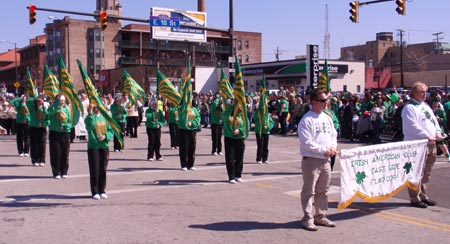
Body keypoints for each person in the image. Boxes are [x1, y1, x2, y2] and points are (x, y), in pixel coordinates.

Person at [298, 89, 337, 231]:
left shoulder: (327, 117)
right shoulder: (307, 120)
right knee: (309, 191)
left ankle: (321, 216)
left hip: (326, 160)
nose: (326, 103)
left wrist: (332, 147)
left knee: (323, 190)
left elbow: (333, 134)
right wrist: (323, 150)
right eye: (322, 100)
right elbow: (306, 142)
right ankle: (307, 218)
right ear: (314, 102)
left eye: (326, 100)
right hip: (312, 160)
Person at [402, 82, 442, 208]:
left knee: (426, 172)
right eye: (421, 92)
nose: (425, 94)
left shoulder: (425, 106)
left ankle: (423, 195)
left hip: (430, 143)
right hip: (418, 145)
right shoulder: (409, 108)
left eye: (425, 92)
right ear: (414, 93)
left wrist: (437, 132)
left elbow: (434, 121)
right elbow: (412, 126)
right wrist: (427, 135)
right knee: (416, 172)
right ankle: (414, 197)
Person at [85, 104, 113, 200]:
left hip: (104, 146)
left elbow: (110, 130)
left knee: (103, 169)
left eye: (98, 107)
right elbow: (91, 126)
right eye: (95, 108)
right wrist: (90, 113)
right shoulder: (89, 118)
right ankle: (95, 191)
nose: (96, 109)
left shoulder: (105, 118)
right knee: (95, 170)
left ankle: (102, 190)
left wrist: (106, 136)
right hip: (94, 146)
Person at [222, 98, 249, 183]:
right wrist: (230, 106)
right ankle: (231, 176)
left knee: (239, 158)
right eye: (238, 107)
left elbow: (246, 125)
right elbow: (223, 116)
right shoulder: (228, 115)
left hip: (240, 139)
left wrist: (239, 130)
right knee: (230, 158)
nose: (239, 109)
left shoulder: (243, 116)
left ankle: (238, 175)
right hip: (230, 138)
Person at [47, 94, 72, 179]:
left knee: (65, 153)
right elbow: (48, 115)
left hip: (65, 133)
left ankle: (64, 171)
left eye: (62, 101)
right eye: (60, 100)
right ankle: (56, 172)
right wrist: (56, 106)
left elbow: (70, 121)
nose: (61, 102)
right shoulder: (52, 108)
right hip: (55, 132)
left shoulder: (67, 109)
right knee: (56, 153)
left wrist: (65, 126)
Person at [26, 95, 50, 167]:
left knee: (42, 144)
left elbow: (48, 120)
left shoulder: (45, 109)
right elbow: (27, 102)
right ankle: (34, 160)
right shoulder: (32, 109)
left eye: (41, 101)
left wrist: (43, 124)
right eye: (38, 101)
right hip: (34, 128)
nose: (39, 102)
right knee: (34, 144)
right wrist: (36, 96)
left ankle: (42, 160)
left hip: (42, 128)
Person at [177, 102, 201, 171]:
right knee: (184, 147)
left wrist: (192, 123)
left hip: (192, 130)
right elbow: (178, 116)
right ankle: (184, 164)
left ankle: (191, 164)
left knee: (192, 147)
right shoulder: (181, 109)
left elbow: (198, 118)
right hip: (183, 130)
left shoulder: (194, 109)